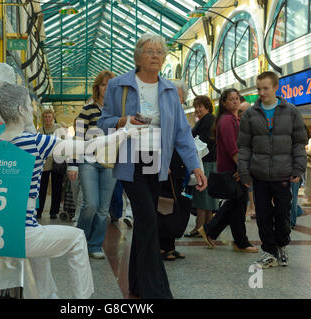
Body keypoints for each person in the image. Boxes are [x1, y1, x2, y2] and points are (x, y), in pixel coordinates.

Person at [97, 33, 207, 299]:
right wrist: (124, 121)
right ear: (138, 55)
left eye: (160, 51)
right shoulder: (119, 85)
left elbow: (182, 132)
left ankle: (136, 282)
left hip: (156, 162)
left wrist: (195, 166)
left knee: (146, 223)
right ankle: (156, 291)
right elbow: (104, 122)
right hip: (130, 160)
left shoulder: (169, 90)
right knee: (147, 220)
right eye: (150, 51)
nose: (156, 55)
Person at [0, 83, 94, 299]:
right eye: (29, 105)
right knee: (77, 238)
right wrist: (123, 135)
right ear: (20, 110)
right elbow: (85, 148)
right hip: (23, 234)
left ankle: (45, 296)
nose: (33, 110)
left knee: (41, 255)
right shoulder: (35, 141)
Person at [238, 71, 308, 269]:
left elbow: (299, 143)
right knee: (263, 215)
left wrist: (298, 168)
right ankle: (269, 252)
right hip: (259, 174)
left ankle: (282, 246)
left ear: (276, 88)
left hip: (283, 173)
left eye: (265, 88)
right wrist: (244, 171)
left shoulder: (291, 111)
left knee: (282, 213)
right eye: (259, 89)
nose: (261, 93)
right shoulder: (250, 114)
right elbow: (244, 146)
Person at [197, 88, 258, 254]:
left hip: (234, 167)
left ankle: (229, 237)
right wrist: (242, 168)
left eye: (237, 98)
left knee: (236, 205)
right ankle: (236, 240)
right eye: (231, 99)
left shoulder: (233, 119)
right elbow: (233, 149)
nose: (235, 101)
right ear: (223, 103)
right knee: (237, 203)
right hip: (233, 168)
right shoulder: (227, 120)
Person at [67, 70, 117, 260]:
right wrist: (73, 164)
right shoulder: (88, 109)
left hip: (110, 164)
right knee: (91, 204)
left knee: (104, 209)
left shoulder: (117, 112)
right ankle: (78, 243)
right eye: (104, 85)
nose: (107, 88)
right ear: (98, 88)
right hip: (89, 161)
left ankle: (95, 244)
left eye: (110, 84)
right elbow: (78, 137)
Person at [184, 95, 218, 237]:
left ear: (207, 107)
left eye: (200, 106)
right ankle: (207, 227)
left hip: (204, 162)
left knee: (201, 194)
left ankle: (199, 226)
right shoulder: (207, 119)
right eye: (196, 106)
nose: (197, 109)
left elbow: (200, 141)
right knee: (208, 196)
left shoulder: (208, 119)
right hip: (209, 160)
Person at [37, 109, 65, 219]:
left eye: (49, 116)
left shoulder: (58, 128)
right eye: (45, 117)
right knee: (42, 188)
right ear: (43, 118)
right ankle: (39, 212)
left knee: (56, 187)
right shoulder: (40, 131)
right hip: (44, 163)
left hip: (57, 162)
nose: (47, 119)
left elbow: (64, 143)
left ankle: (54, 211)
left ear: (53, 118)